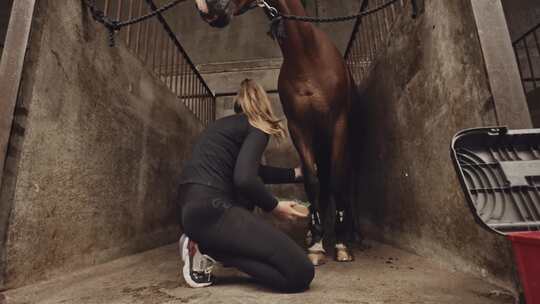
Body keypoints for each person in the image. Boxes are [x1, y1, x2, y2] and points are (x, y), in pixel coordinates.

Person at [177, 79, 314, 293]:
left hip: (191, 212)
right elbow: (245, 179)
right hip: (215, 209)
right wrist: (275, 207)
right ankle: (204, 247)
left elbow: (252, 170)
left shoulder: (223, 128)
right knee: (301, 273)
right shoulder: (257, 125)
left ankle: (207, 247)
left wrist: (294, 173)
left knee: (285, 269)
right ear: (264, 104)